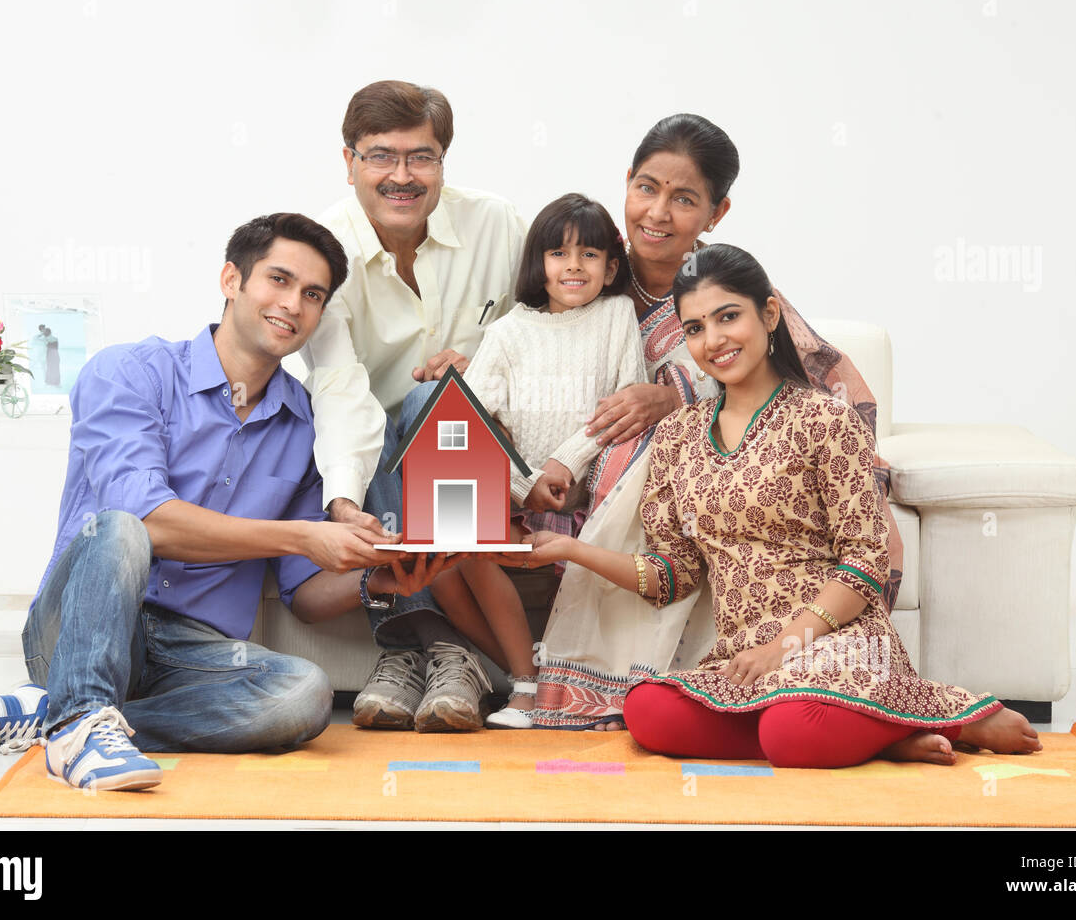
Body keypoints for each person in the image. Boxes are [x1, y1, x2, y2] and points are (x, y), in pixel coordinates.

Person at [0, 213, 448, 790]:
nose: (293, 304)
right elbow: (150, 523)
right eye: (278, 280)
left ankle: (59, 721)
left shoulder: (304, 426)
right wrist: (304, 534)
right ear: (232, 279)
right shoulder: (129, 373)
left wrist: (376, 580)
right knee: (121, 527)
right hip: (80, 624)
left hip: (191, 649)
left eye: (312, 294)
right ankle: (80, 713)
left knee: (305, 695)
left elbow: (302, 594)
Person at [522, 245, 1042, 767]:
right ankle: (884, 734)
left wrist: (787, 644)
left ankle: (944, 714)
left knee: (793, 734)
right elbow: (673, 576)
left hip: (833, 642)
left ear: (769, 314)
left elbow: (866, 558)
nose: (715, 340)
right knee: (648, 711)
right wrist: (572, 548)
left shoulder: (825, 420)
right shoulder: (678, 435)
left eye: (729, 317)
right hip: (743, 658)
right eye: (696, 328)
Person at [531, 113, 906, 730]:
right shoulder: (585, 270)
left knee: (656, 442)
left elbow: (812, 386)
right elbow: (527, 337)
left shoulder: (729, 287)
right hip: (593, 466)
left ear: (716, 212)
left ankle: (864, 711)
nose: (656, 212)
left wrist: (675, 394)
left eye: (684, 199)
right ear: (626, 183)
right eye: (646, 188)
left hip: (724, 483)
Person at [299, 80, 529, 732]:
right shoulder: (324, 249)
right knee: (380, 416)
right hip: (373, 447)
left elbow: (552, 326)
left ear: (442, 162)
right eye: (380, 156)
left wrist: (482, 371)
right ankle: (432, 648)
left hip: (474, 437)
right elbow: (339, 385)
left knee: (438, 401)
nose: (402, 176)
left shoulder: (498, 225)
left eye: (421, 157)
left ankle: (422, 648)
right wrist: (343, 498)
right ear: (349, 163)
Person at [429, 194, 646, 729]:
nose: (574, 265)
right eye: (559, 253)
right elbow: (468, 422)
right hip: (522, 496)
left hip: (594, 494)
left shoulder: (617, 316)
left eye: (590, 254)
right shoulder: (506, 333)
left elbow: (626, 402)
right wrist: (523, 485)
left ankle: (576, 687)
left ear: (611, 267)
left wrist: (566, 463)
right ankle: (526, 681)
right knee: (451, 547)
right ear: (537, 264)